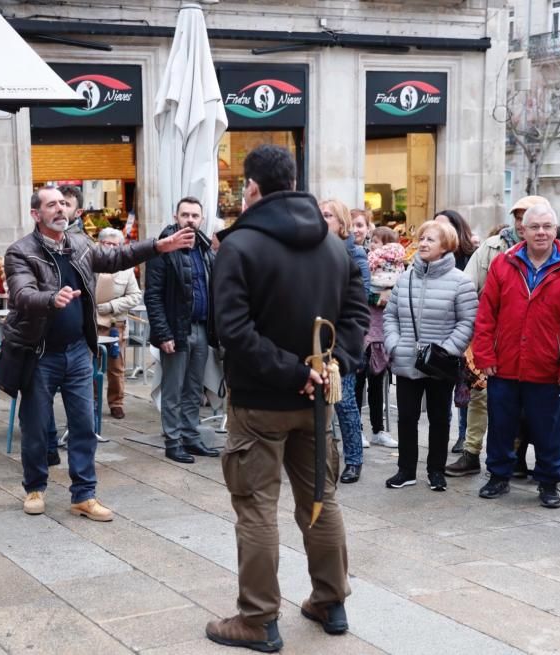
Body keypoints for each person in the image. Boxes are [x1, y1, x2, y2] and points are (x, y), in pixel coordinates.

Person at [205, 145, 369, 652]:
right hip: (316, 399)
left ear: (251, 188)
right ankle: (331, 599)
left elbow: (230, 330)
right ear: (294, 181)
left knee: (256, 507)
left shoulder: (239, 246)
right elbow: (357, 321)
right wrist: (317, 370)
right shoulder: (336, 246)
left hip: (259, 402)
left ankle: (257, 618)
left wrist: (293, 371)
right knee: (321, 500)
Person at [4, 185, 194, 521]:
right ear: (36, 214)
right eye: (51, 205)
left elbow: (117, 257)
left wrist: (158, 246)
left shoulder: (80, 244)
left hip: (78, 351)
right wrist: (50, 299)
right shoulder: (20, 252)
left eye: (63, 204)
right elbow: (21, 293)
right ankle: (35, 487)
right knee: (35, 425)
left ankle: (84, 494)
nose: (60, 209)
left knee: (83, 424)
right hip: (39, 352)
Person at [472, 203, 560, 508]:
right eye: (534, 227)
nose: (541, 233)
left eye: (547, 227)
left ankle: (549, 481)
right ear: (522, 230)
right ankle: (498, 476)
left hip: (547, 364)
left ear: (556, 229)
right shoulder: (503, 263)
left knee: (548, 427)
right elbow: (486, 313)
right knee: (500, 424)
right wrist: (484, 355)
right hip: (504, 362)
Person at [446, 195, 552, 477]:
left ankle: (516, 457)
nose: (522, 223)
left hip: (533, 343)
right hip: (493, 338)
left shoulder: (555, 254)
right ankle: (471, 452)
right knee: (480, 397)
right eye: (518, 217)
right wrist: (473, 338)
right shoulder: (492, 249)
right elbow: (469, 289)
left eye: (527, 217)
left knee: (524, 404)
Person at [383, 220, 477, 491]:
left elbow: (467, 322)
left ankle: (436, 470)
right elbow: (390, 316)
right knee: (407, 417)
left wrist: (446, 350)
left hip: (440, 364)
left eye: (430, 239)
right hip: (406, 360)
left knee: (439, 418)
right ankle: (405, 470)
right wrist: (394, 344)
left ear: (446, 245)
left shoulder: (461, 282)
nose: (423, 243)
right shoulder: (405, 277)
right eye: (421, 238)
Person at [145, 196, 219, 464]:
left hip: (201, 327)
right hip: (177, 329)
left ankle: (190, 435)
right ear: (175, 217)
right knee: (173, 388)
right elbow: (152, 296)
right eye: (185, 214)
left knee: (194, 388)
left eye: (195, 215)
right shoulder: (163, 248)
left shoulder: (204, 248)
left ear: (202, 218)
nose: (190, 219)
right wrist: (163, 334)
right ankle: (173, 440)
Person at [319, 198, 372, 483]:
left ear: (341, 223)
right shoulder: (312, 251)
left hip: (343, 342)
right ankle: (322, 455)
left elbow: (359, 301)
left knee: (344, 401)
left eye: (327, 215)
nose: (322, 218)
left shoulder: (355, 254)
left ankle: (354, 460)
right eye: (319, 214)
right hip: (316, 338)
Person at [358, 227, 405, 449]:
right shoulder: (365, 262)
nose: (373, 245)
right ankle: (356, 428)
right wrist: (378, 297)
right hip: (364, 330)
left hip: (384, 331)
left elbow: (398, 295)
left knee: (378, 384)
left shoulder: (398, 266)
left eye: (376, 241)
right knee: (359, 382)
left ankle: (378, 430)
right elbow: (361, 291)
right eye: (372, 241)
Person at [434, 209, 477, 454]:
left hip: (463, 332)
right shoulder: (430, 260)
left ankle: (463, 436)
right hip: (438, 333)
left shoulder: (469, 256)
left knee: (464, 388)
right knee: (442, 390)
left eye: (443, 226)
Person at [95, 227, 142, 420]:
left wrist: (111, 306)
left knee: (116, 367)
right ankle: (92, 401)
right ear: (100, 244)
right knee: (90, 365)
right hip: (91, 323)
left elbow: (135, 296)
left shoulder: (126, 269)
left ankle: (116, 403)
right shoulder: (89, 264)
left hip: (115, 324)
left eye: (116, 245)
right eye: (108, 244)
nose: (112, 248)